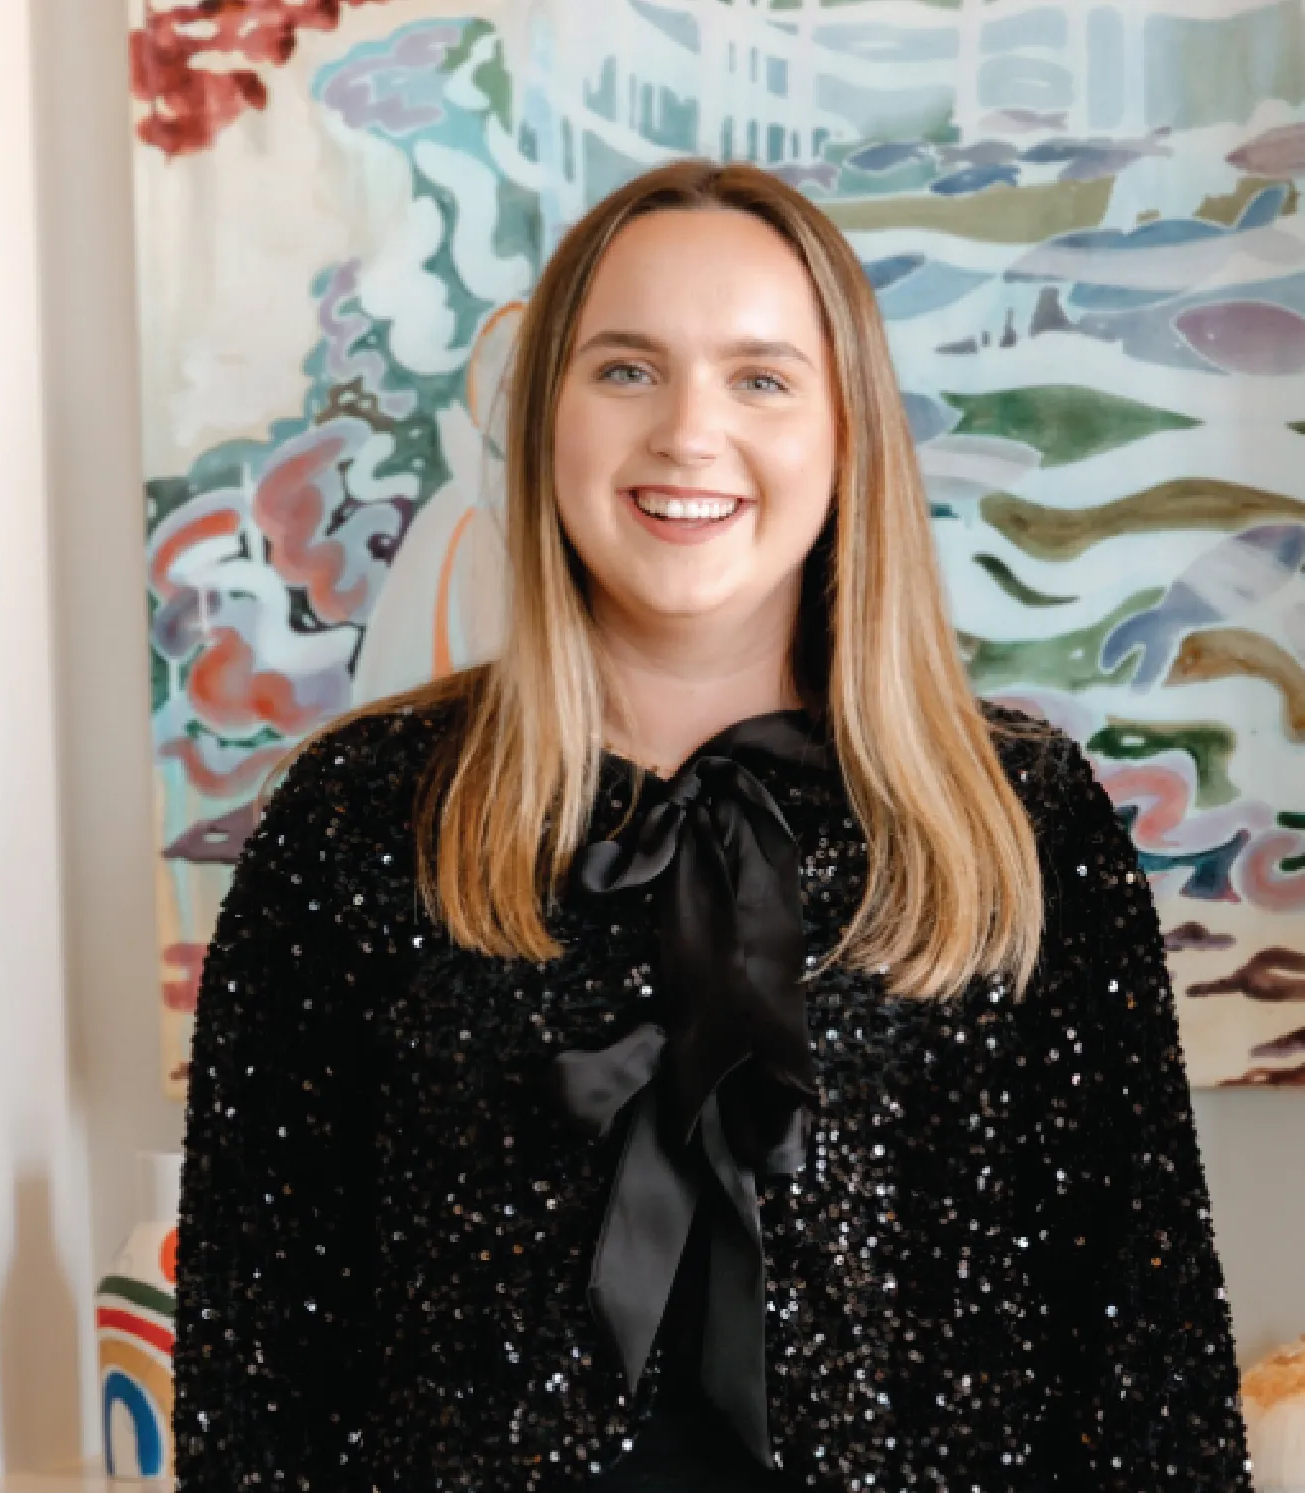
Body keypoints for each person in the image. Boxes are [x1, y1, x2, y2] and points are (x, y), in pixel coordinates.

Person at [171, 159, 1255, 1492]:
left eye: (761, 379)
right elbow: (258, 1371)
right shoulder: (355, 819)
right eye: (627, 370)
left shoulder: (1024, 818)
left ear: (846, 430)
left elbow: (1148, 1364)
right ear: (547, 417)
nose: (688, 434)